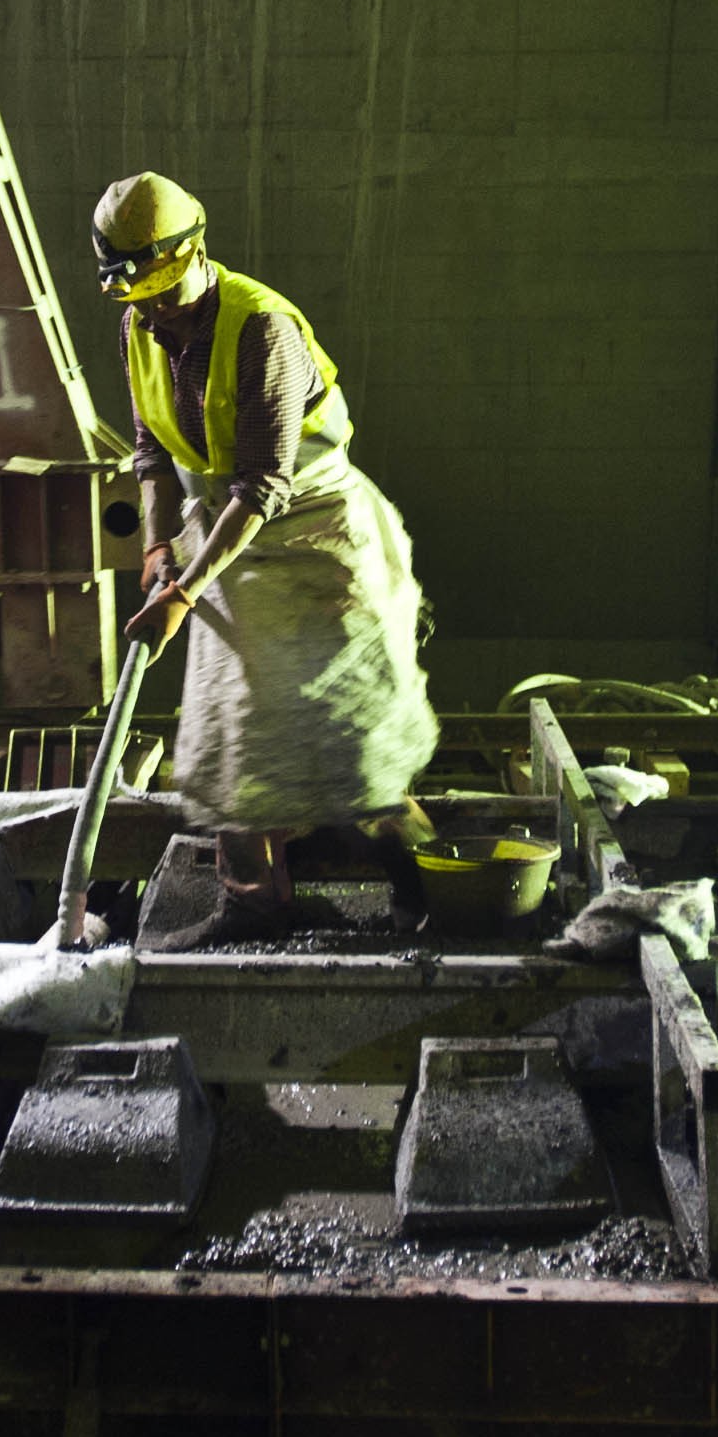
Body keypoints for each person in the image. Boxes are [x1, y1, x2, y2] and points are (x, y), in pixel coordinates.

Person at [92, 172, 437, 942]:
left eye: (162, 292)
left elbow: (263, 484)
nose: (153, 310)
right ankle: (254, 904)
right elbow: (151, 451)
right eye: (139, 297)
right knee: (232, 737)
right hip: (226, 547)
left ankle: (425, 896)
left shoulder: (261, 328)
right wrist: (156, 545)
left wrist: (183, 594)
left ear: (195, 254)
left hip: (315, 541)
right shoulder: (138, 325)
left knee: (350, 740)